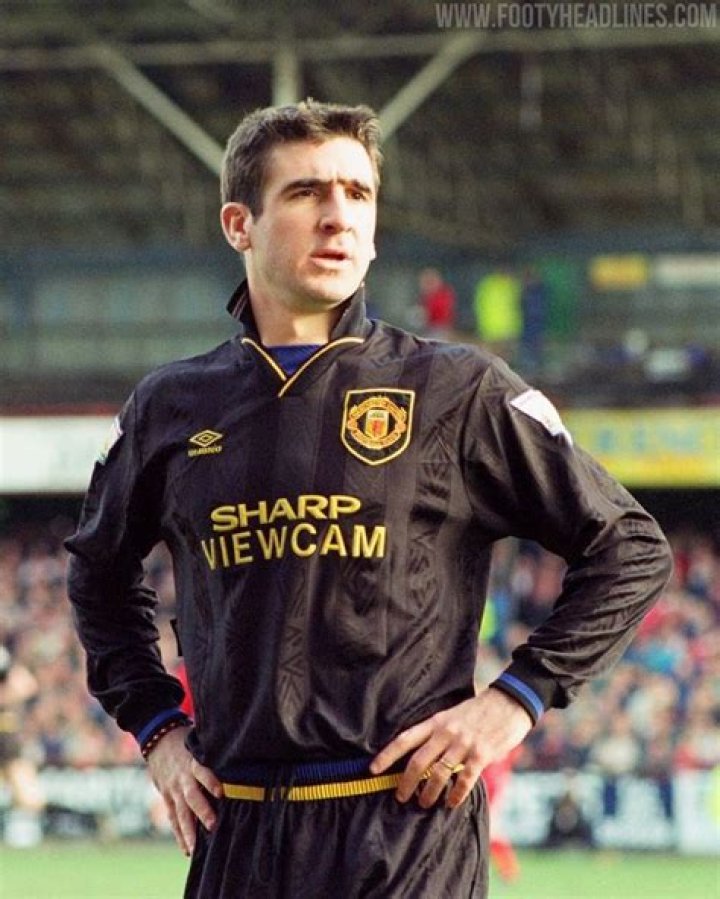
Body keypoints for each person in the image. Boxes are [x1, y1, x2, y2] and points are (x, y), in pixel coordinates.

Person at [65, 100, 672, 899]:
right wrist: (157, 728)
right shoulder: (170, 406)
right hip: (236, 832)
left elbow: (629, 546)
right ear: (239, 224)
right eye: (306, 192)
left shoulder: (457, 389)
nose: (338, 215)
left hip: (403, 832)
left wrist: (513, 701)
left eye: (358, 193)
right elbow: (98, 574)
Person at [0, 645, 45, 847]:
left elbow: (28, 685)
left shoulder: (14, 683)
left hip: (9, 744)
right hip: (9, 743)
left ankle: (23, 833)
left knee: (30, 798)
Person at [416, 267, 456, 340]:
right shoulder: (424, 297)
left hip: (439, 329)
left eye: (429, 282)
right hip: (427, 329)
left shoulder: (443, 295)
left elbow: (442, 314)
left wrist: (426, 314)